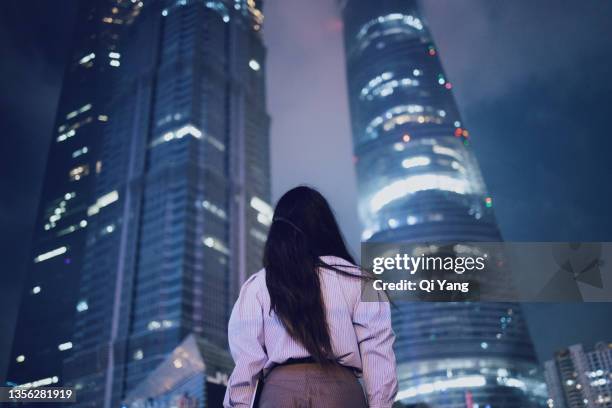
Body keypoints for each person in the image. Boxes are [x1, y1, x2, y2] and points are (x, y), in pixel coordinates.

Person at [223, 186, 397, 408]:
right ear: (326, 227)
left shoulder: (257, 285)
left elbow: (247, 364)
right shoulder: (362, 281)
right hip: (341, 393)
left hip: (278, 394)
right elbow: (378, 356)